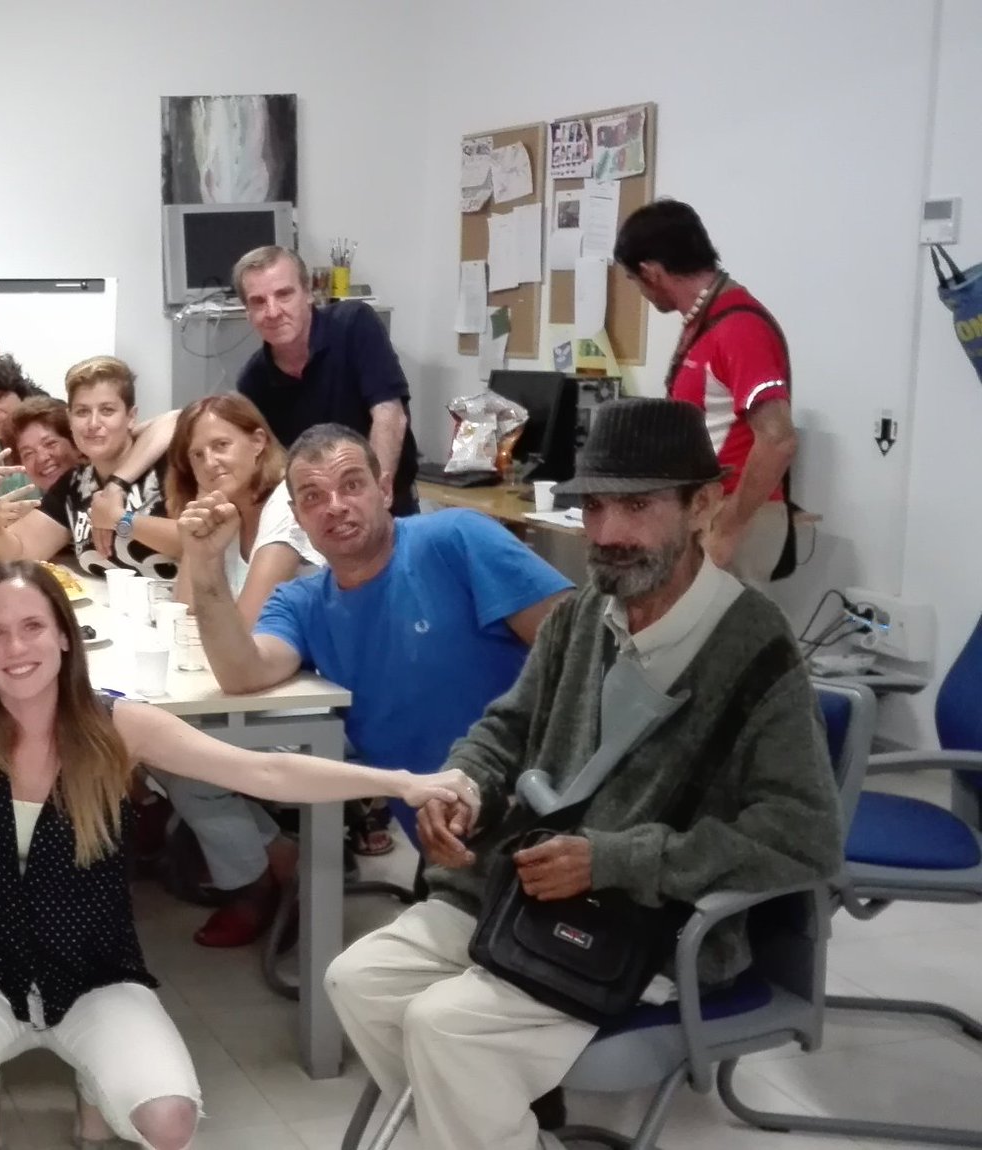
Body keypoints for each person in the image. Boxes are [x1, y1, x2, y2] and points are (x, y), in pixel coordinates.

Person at [0, 560, 475, 1150]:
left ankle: (95, 1084)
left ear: (65, 636)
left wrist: (401, 783)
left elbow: (264, 771)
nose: (16, 648)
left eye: (33, 627)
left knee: (170, 1121)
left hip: (95, 974)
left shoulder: (117, 727)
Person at [323, 398, 843, 1150]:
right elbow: (507, 728)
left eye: (637, 506)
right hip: (521, 896)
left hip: (647, 925)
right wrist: (463, 785)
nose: (607, 534)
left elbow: (805, 835)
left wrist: (616, 860)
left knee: (445, 1030)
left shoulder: (757, 647)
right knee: (359, 981)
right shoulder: (582, 615)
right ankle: (504, 1128)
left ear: (701, 506)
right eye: (595, 507)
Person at [176, 423, 572, 947]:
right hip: (444, 839)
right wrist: (205, 566)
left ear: (384, 489)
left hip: (540, 814)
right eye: (313, 497)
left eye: (352, 485)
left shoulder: (456, 539)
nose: (335, 506)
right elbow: (241, 672)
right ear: (296, 517)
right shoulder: (303, 603)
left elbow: (582, 652)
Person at [615, 198, 799, 585]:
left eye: (634, 280)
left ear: (651, 273)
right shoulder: (704, 322)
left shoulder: (739, 327)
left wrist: (729, 528)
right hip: (706, 510)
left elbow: (778, 439)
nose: (641, 292)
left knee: (722, 627)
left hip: (736, 515)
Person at [230, 246, 421, 516]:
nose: (273, 311)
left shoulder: (354, 324)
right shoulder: (252, 382)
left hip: (386, 506)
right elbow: (272, 464)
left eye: (284, 294)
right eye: (259, 301)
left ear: (308, 293)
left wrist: (374, 500)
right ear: (247, 312)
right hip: (316, 519)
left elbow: (389, 415)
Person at [0, 357, 182, 579]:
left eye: (107, 410)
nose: (93, 423)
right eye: (82, 412)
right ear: (70, 419)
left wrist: (121, 519)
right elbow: (19, 553)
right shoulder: (74, 484)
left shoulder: (168, 464)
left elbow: (194, 541)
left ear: (130, 417)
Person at [165, 394, 318, 625]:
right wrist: (202, 505)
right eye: (197, 455)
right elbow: (188, 610)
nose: (209, 463)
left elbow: (247, 629)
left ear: (258, 442)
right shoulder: (227, 506)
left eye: (221, 445)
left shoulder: (286, 504)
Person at [0, 397, 85, 543]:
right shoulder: (58, 501)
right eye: (28, 453)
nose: (41, 458)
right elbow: (15, 549)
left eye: (50, 444)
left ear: (76, 441)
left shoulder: (97, 487)